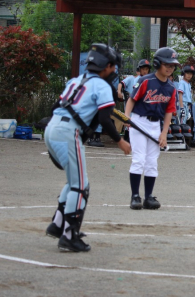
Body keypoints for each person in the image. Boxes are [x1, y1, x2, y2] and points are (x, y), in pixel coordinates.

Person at [45, 43, 131, 252]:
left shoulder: (76, 80)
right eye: (113, 67)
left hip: (52, 128)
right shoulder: (101, 86)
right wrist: (120, 141)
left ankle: (58, 224)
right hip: (68, 133)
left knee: (74, 181)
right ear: (106, 66)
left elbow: (56, 107)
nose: (114, 71)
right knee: (81, 186)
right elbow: (104, 118)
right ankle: (69, 236)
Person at [125, 47, 179, 211]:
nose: (170, 68)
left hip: (156, 125)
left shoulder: (171, 88)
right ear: (157, 64)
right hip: (139, 121)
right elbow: (132, 99)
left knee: (151, 162)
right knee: (139, 159)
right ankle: (135, 196)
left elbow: (169, 112)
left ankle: (148, 197)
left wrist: (164, 133)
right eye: (166, 64)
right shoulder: (146, 81)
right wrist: (127, 117)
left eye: (172, 65)